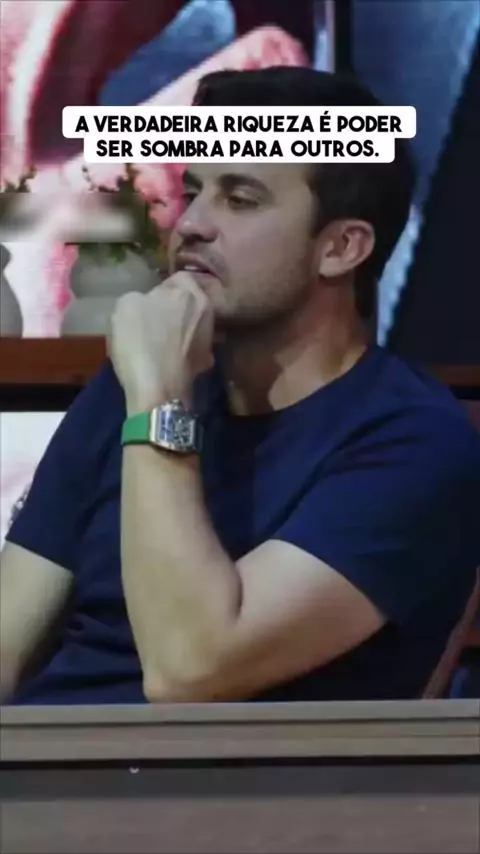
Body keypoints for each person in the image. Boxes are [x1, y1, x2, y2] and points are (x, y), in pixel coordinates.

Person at [2, 67, 480, 705]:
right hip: (43, 757)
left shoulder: (414, 443)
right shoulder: (128, 387)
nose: (191, 224)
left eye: (241, 199)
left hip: (216, 769)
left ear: (341, 247)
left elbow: (191, 670)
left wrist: (159, 401)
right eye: (193, 191)